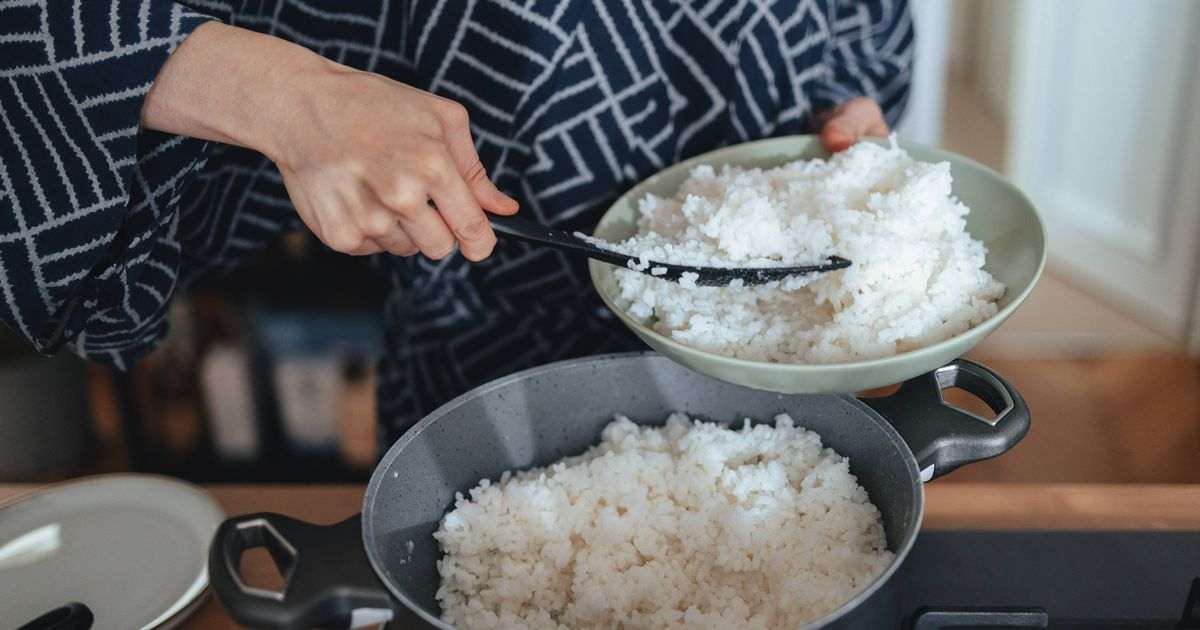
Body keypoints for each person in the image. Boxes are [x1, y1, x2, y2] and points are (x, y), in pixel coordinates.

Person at [0, 1, 912, 444]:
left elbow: (858, 29)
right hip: (489, 355)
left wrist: (843, 108)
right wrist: (283, 96)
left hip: (787, 329)